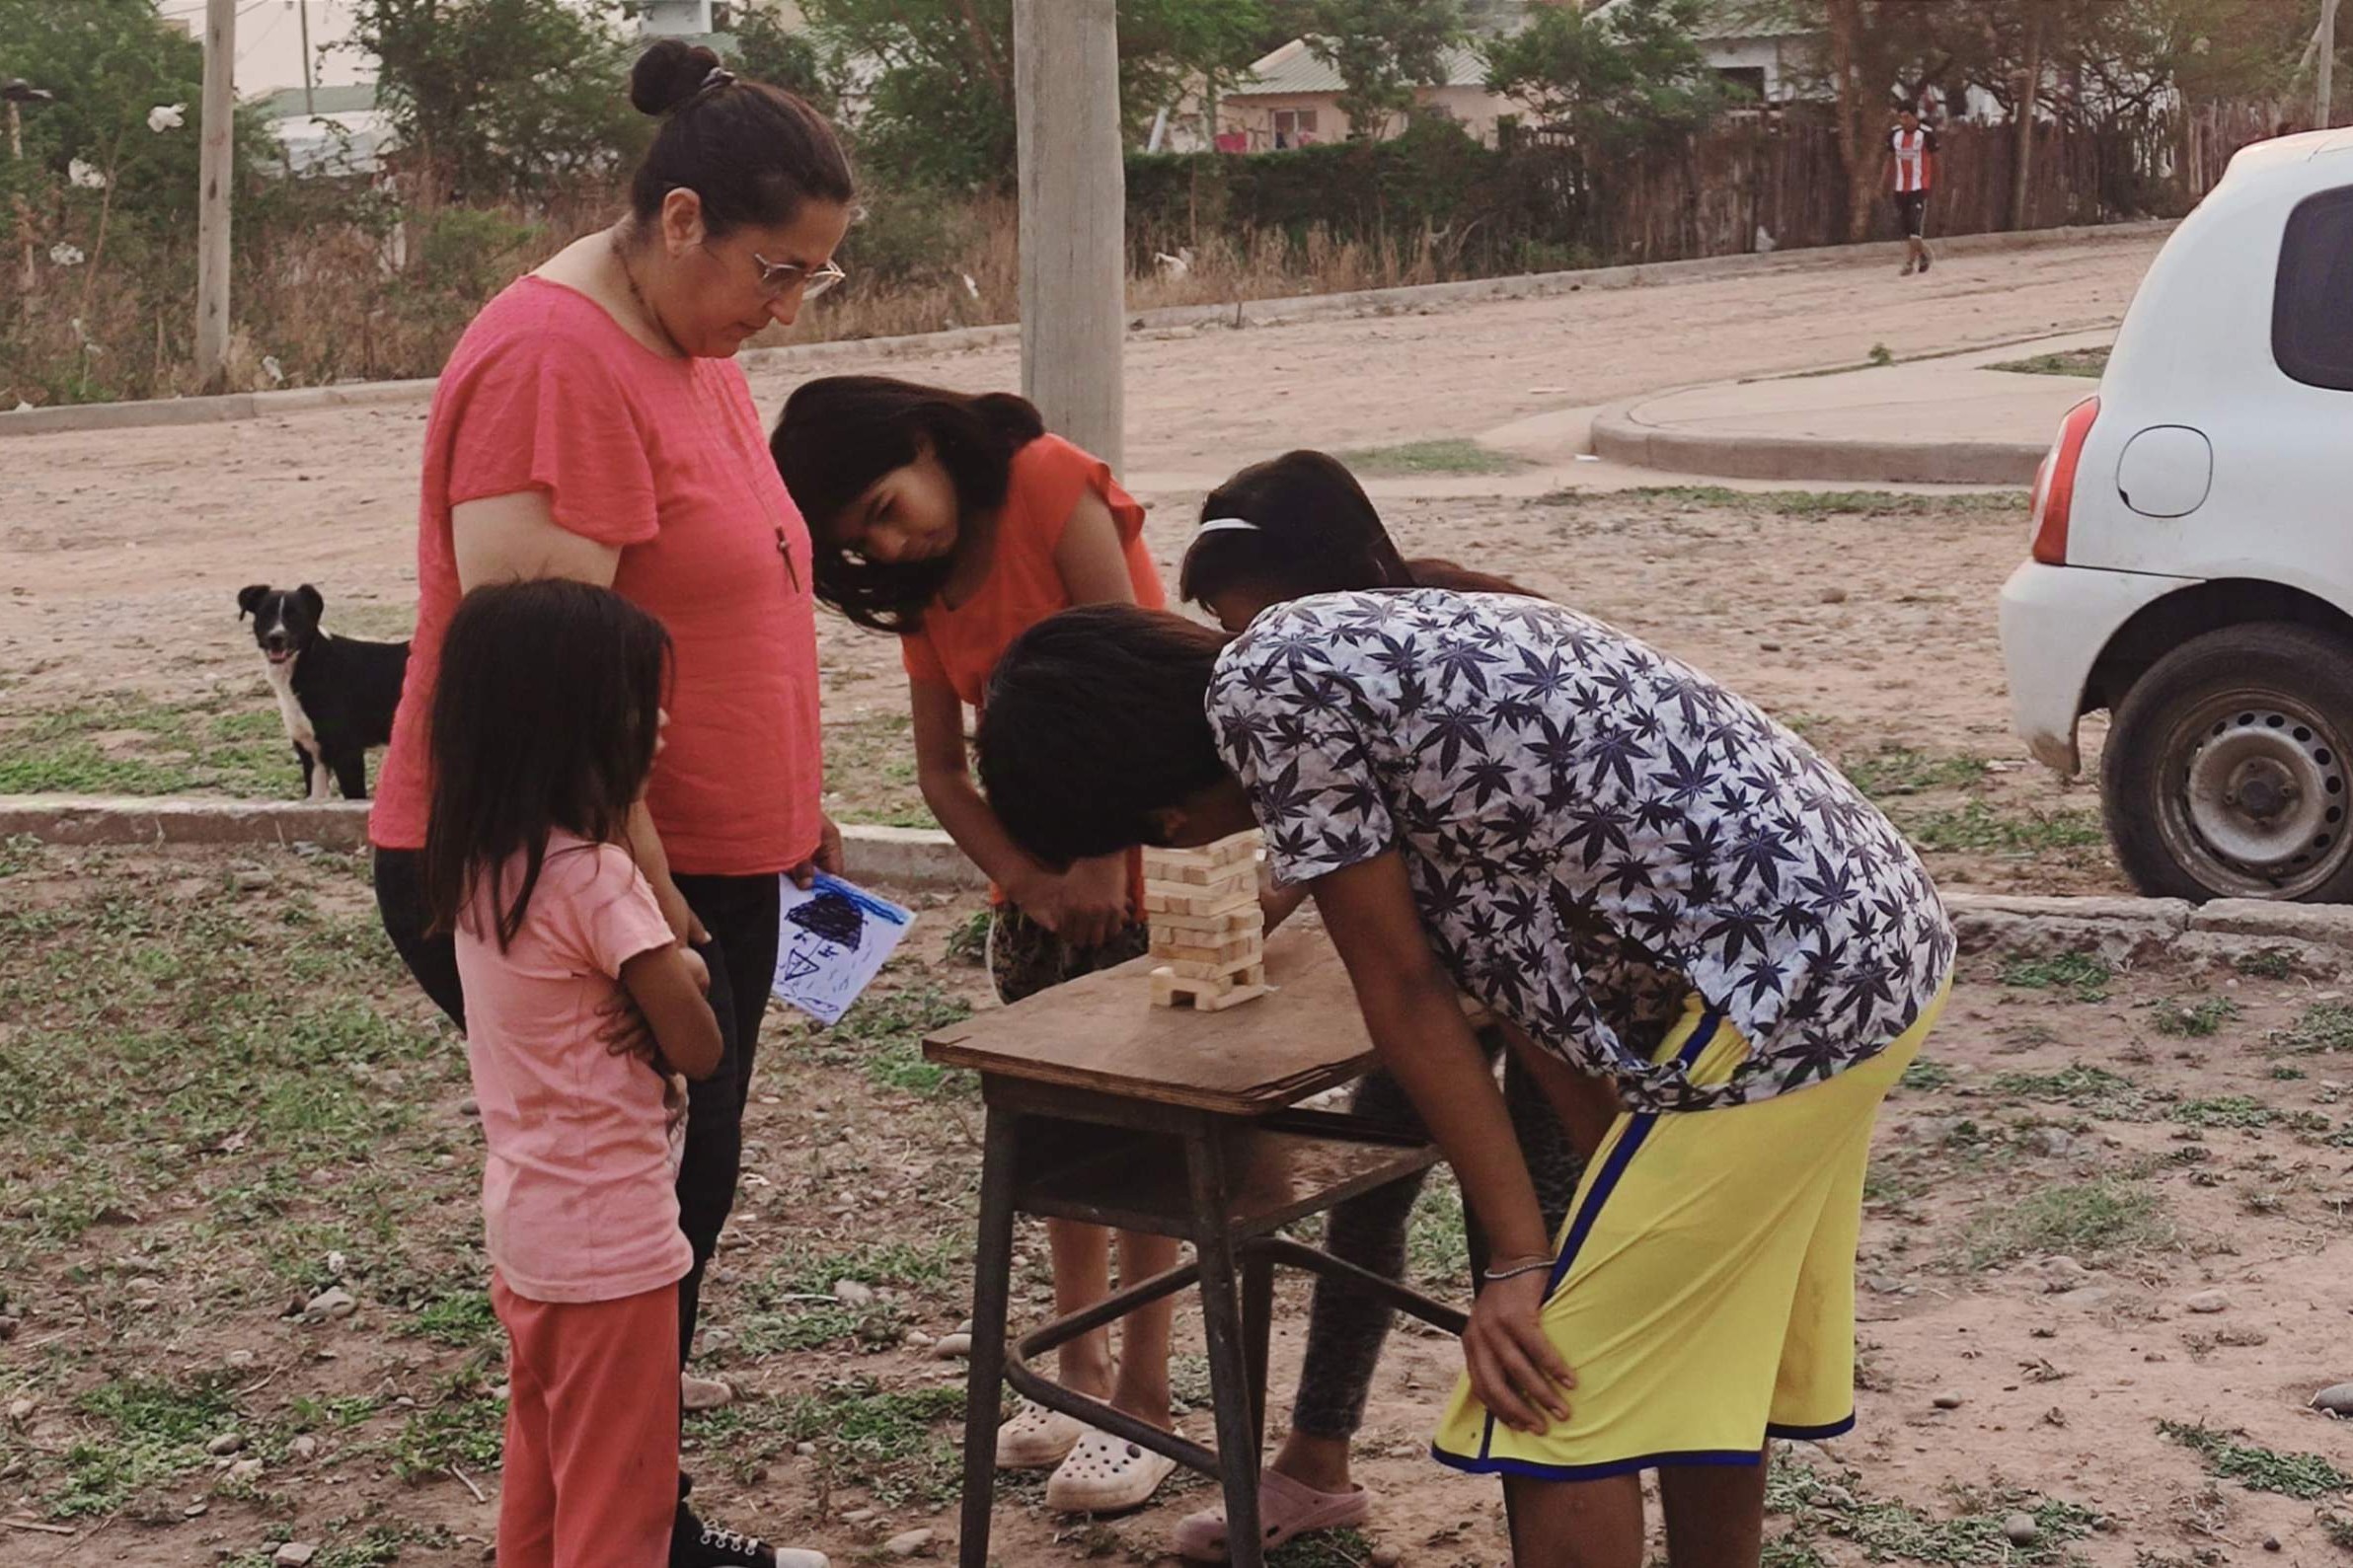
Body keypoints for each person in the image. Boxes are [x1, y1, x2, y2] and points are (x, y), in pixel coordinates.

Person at [971, 595, 1954, 1568]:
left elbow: (1401, 991)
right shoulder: (1327, 652)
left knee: (1552, 1395)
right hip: (1847, 938)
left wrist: (1522, 1261)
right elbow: (1510, 981)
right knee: (1693, 1365)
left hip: (1790, 984)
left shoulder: (1268, 695)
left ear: (1164, 814)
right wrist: (1578, 1211)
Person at [368, 37, 851, 1568]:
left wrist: (797, 810)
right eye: (781, 273)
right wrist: (650, 914)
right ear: (685, 218)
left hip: (717, 861)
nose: (785, 313)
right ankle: (616, 1530)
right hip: (610, 892)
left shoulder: (685, 345)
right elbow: (549, 710)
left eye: (815, 286)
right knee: (626, 1230)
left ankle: (610, 1518)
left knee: (665, 1213)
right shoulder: (552, 364)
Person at [771, 376, 1184, 1516]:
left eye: (887, 505)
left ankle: (1146, 1401)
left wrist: (1101, 855)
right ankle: (1078, 1372)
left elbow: (1138, 668)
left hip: (1154, 871)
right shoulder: (920, 586)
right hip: (1041, 903)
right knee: (1058, 1145)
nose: (894, 540)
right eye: (864, 538)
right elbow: (942, 769)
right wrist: (1026, 879)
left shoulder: (1052, 481)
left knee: (1152, 1152)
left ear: (922, 440)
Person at [1167, 452, 1591, 1560]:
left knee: (1542, 1230)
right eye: (1224, 631)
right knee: (1370, 1182)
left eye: (1251, 619)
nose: (1247, 653)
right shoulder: (1302, 667)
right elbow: (1337, 813)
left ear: (1325, 572)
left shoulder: (1468, 619)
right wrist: (1264, 896)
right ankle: (1315, 1461)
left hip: (1554, 995)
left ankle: (1577, 1455)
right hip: (1443, 982)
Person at [423, 580, 723, 1568]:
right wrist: (680, 973)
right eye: (640, 699)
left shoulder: (481, 862)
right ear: (577, 727)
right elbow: (698, 1044)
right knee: (619, 1503)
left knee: (544, 1473)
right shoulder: (595, 879)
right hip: (615, 1244)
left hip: (530, 1229)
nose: (662, 719)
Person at [1887, 107, 1939, 276]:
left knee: (1915, 226)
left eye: (1907, 117)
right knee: (1907, 228)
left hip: (1919, 185)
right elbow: (1889, 159)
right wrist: (1883, 183)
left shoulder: (1926, 134)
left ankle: (1909, 263)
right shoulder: (1894, 134)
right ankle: (1924, 253)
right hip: (1900, 186)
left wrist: (1938, 183)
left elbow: (1937, 159)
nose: (1903, 122)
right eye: (1901, 118)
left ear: (1915, 117)